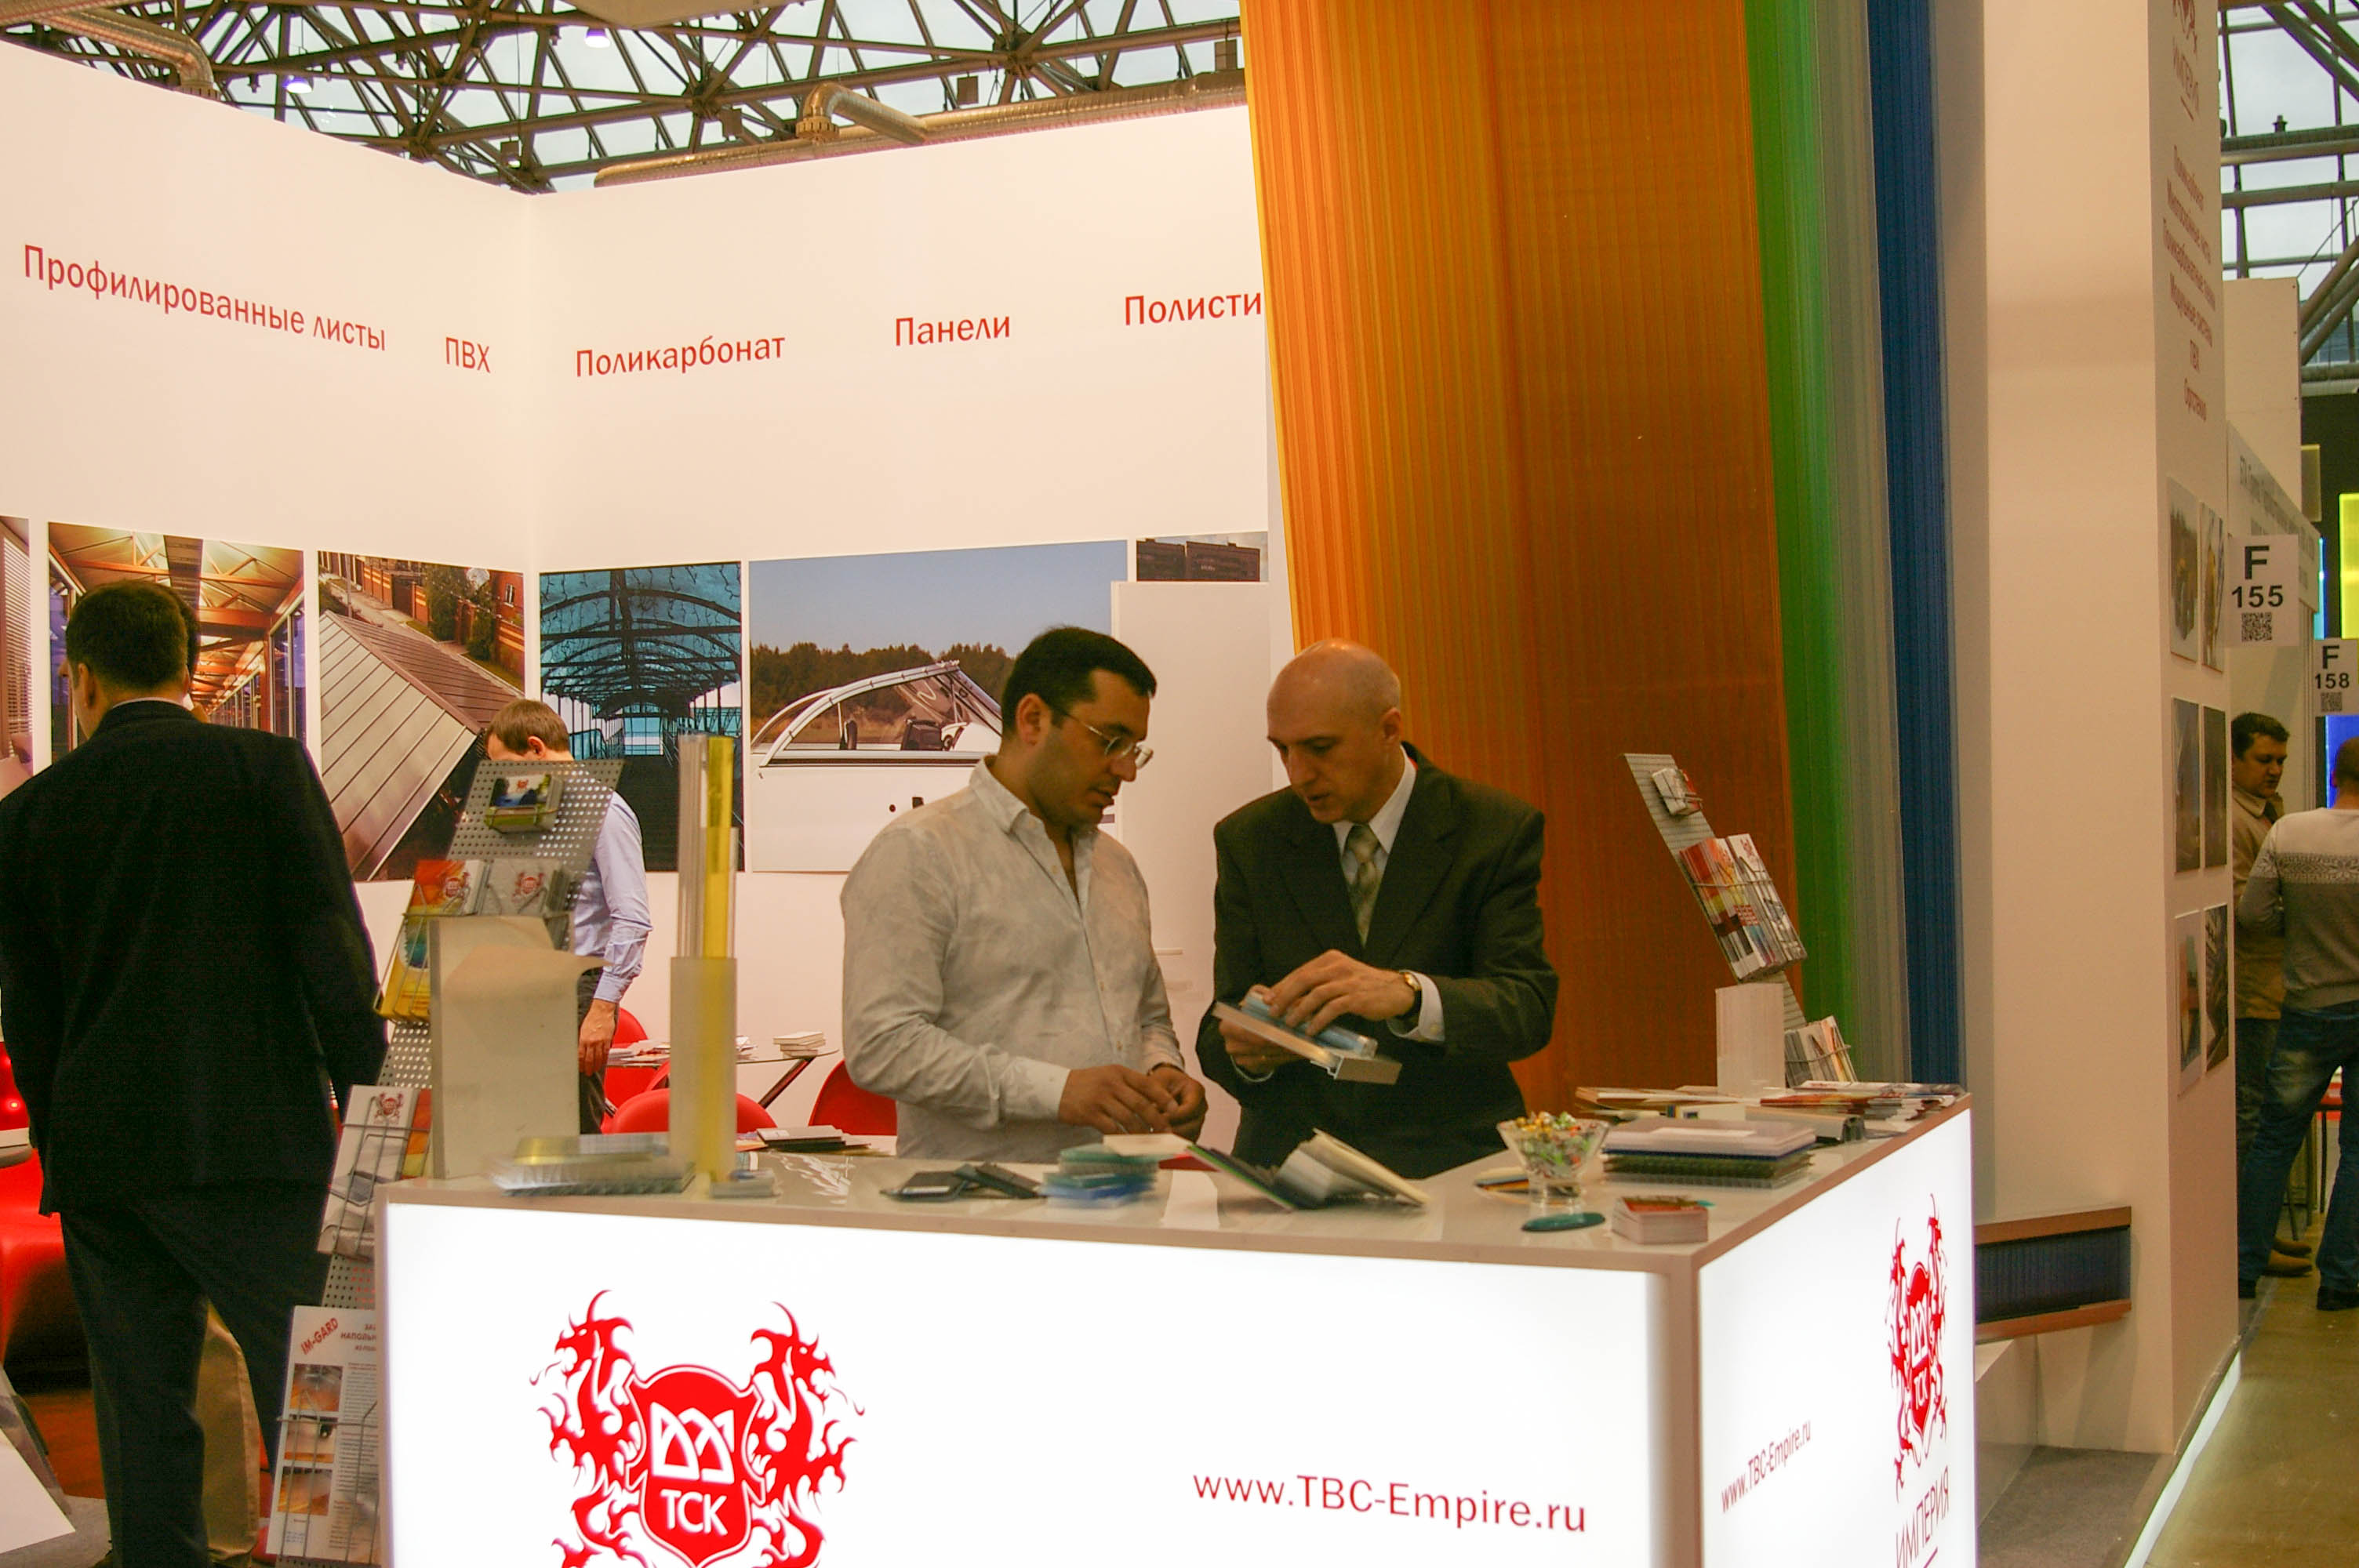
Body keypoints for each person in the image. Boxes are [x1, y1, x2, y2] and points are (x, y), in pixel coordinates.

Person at [0, 580, 385, 1567]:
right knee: (312, 1392)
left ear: (82, 679)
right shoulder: (262, 770)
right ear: (189, 667)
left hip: (105, 1160)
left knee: (140, 1410)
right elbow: (332, 957)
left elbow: (29, 1013)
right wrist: (373, 1106)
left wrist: (61, 1138)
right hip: (256, 1140)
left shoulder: (30, 813)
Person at [840, 626, 1206, 1160]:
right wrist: (1057, 1092)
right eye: (1110, 742)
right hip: (982, 1201)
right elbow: (883, 1045)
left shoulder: (1117, 866)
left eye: (1135, 750)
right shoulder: (921, 852)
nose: (1126, 770)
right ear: (1033, 719)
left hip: (1123, 1190)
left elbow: (1148, 1016)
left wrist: (1162, 1070)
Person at [1196, 641, 1558, 1178]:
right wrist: (1249, 1054)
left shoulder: (1492, 830)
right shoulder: (1252, 839)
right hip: (1293, 1171)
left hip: (1450, 1165)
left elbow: (1526, 1008)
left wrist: (1411, 996)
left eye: (1320, 748)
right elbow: (1221, 1023)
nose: (1298, 774)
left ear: (1389, 729)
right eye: (1282, 750)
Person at [481, 699, 651, 1134]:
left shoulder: (604, 811)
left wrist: (603, 1008)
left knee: (569, 1130)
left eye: (505, 767)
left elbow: (632, 918)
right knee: (524, 1131)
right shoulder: (535, 812)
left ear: (536, 748)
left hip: (575, 989)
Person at [2237, 735, 2359, 1310]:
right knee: (2357, 1149)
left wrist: (2303, 933)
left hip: (2308, 1007)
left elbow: (2253, 914)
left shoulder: (2289, 832)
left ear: (2334, 776)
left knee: (2274, 1139)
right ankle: (2340, 1279)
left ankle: (2243, 1267)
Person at [2230, 712, 2311, 1279]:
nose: (2275, 770)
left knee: (2267, 1116)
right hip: (2252, 989)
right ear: (2234, 759)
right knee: (2254, 1117)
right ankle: (2247, 1239)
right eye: (2264, 759)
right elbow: (2248, 910)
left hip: (2274, 985)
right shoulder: (2236, 820)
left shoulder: (2268, 812)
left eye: (2280, 760)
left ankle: (2258, 1230)